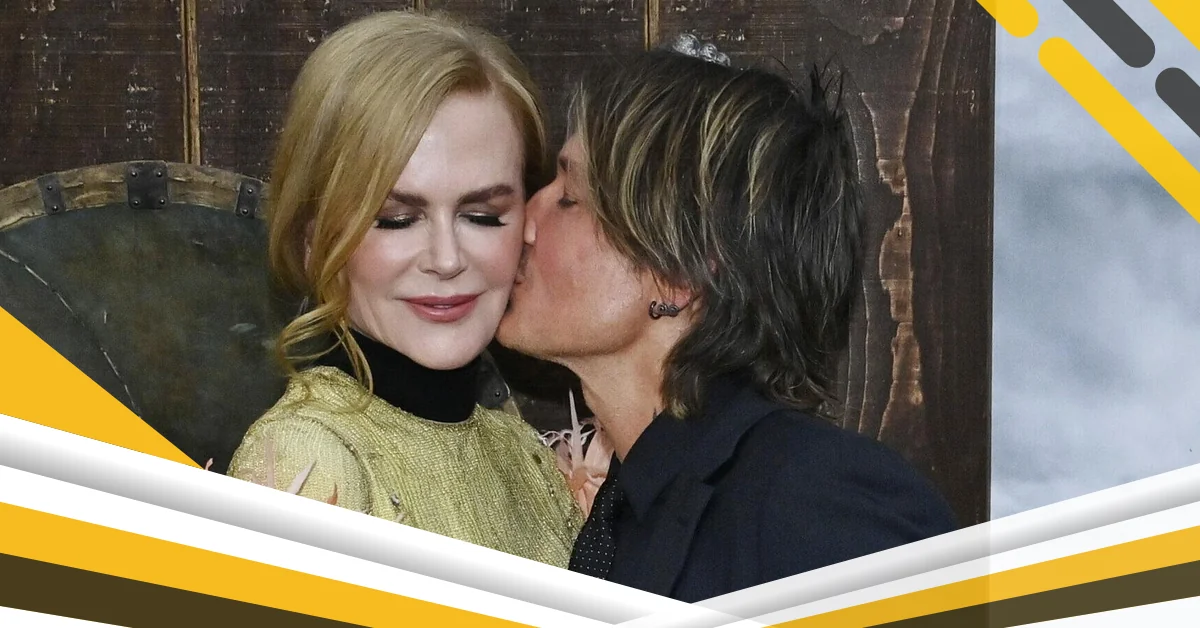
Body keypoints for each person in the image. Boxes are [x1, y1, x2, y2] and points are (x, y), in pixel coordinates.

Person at [496, 41, 957, 599]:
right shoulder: (627, 519)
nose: (522, 218)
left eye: (569, 197)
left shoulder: (815, 500)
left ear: (679, 272)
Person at [227, 11, 582, 568]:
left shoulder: (517, 453)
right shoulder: (306, 462)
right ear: (314, 239)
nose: (446, 259)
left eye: (482, 216)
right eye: (396, 219)